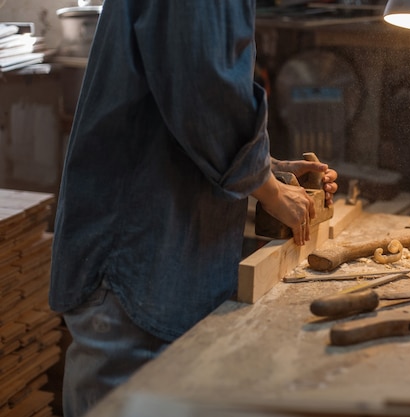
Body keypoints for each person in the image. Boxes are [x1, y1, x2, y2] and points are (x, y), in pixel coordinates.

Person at [48, 2, 338, 417]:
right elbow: (203, 85)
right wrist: (268, 189)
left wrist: (267, 171)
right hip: (135, 271)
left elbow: (181, 112)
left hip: (162, 265)